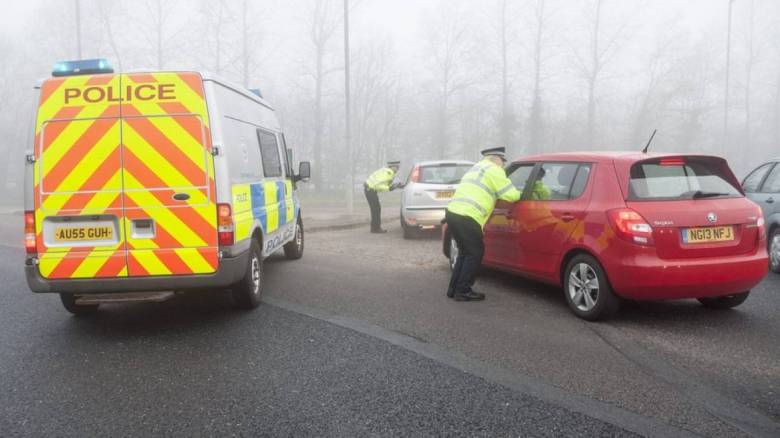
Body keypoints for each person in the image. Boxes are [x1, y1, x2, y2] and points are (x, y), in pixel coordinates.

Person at [445, 147, 521, 301]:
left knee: (465, 253)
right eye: (502, 161)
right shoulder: (495, 170)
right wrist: (522, 193)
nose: (503, 165)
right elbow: (511, 195)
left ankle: (454, 289)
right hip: (468, 217)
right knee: (474, 253)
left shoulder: (476, 168)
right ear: (497, 159)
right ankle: (463, 291)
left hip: (453, 213)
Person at [364, 161, 402, 233]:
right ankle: (376, 228)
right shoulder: (388, 173)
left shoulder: (386, 171)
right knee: (376, 209)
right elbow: (378, 185)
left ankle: (374, 228)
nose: (398, 169)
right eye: (396, 167)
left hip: (369, 189)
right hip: (370, 190)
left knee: (376, 209)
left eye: (398, 167)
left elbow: (381, 184)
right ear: (392, 167)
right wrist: (390, 188)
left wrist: (394, 186)